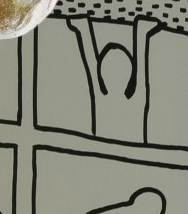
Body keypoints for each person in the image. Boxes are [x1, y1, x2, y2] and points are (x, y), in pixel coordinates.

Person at [65, 13, 160, 142]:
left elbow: (91, 63)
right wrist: (142, 32)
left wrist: (82, 28)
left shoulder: (104, 98)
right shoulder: (134, 101)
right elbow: (141, 68)